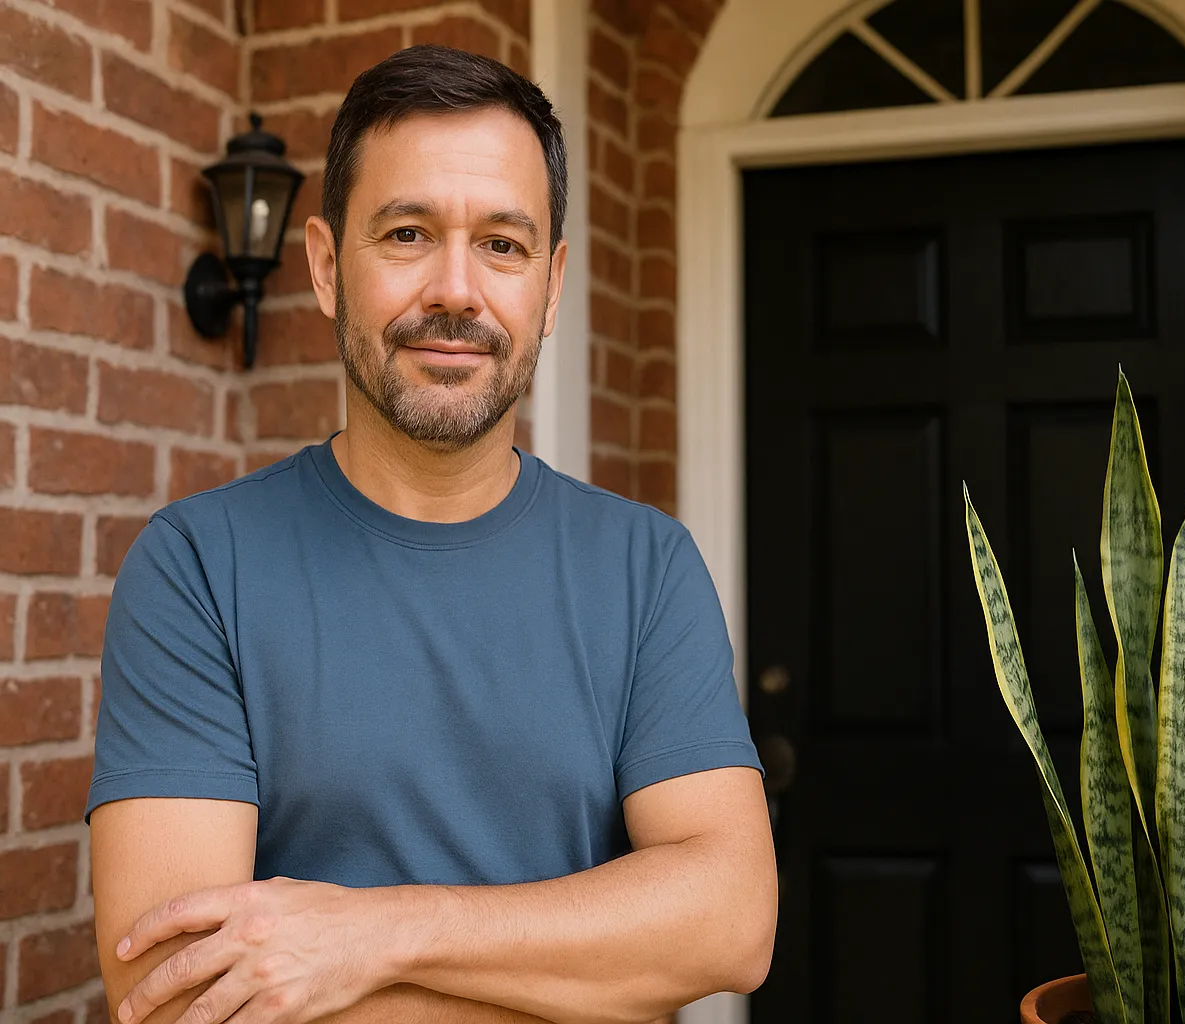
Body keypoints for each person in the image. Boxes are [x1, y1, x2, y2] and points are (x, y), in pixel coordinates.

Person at [87, 45, 776, 1024]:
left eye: (503, 244)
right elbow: (180, 994)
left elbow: (732, 923)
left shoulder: (644, 567)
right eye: (408, 233)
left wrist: (372, 936)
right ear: (326, 267)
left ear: (551, 283)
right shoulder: (201, 567)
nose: (457, 290)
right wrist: (596, 965)